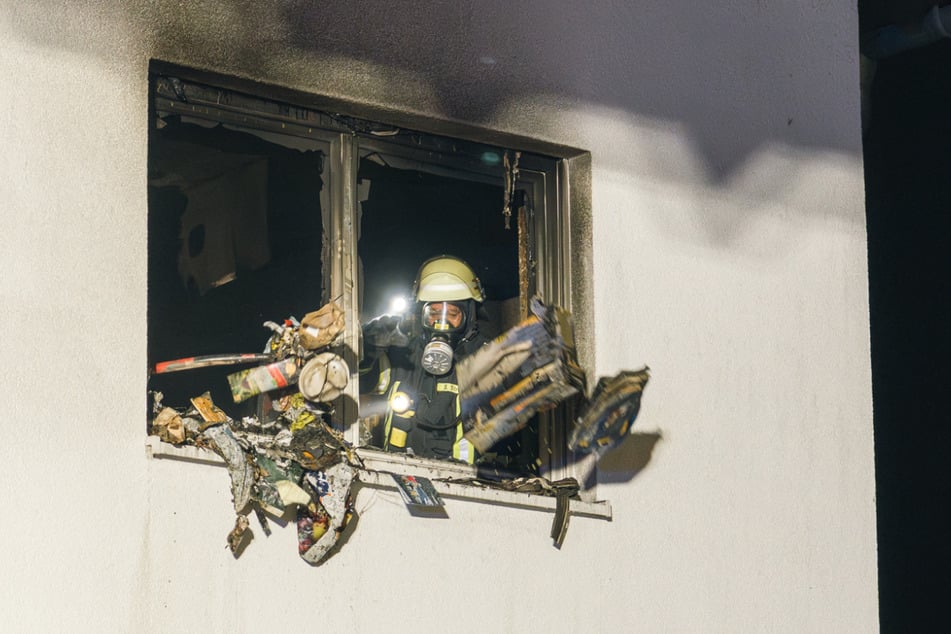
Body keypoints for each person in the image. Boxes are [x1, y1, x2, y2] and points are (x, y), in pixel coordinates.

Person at [360, 255, 488, 463]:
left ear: (469, 316)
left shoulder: (487, 359)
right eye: (434, 313)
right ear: (421, 313)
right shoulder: (402, 356)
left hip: (466, 485)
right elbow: (358, 381)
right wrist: (368, 344)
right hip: (397, 476)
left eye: (452, 314)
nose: (441, 323)